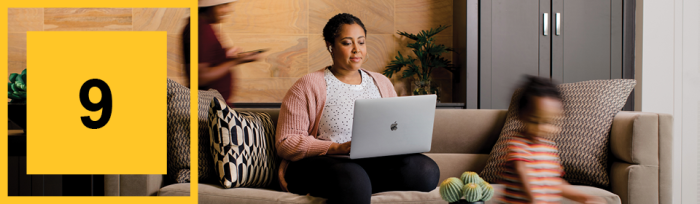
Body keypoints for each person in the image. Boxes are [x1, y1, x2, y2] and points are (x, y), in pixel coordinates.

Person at [275, 13, 440, 204]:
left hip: (370, 163)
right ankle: (357, 184)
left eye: (361, 42)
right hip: (322, 163)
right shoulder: (307, 85)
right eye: (347, 43)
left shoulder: (381, 82)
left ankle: (361, 184)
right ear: (330, 45)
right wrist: (336, 147)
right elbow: (286, 143)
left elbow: (395, 127)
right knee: (352, 177)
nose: (356, 50)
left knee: (426, 170)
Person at [500, 76, 604, 204]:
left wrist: (583, 197)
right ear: (522, 116)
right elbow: (522, 171)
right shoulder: (518, 144)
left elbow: (554, 182)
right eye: (534, 121)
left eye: (550, 122)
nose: (541, 128)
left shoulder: (549, 147)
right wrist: (533, 199)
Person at [182, 0, 260, 101]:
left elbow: (205, 59)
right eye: (222, 6)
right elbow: (200, 77)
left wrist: (224, 56)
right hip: (208, 109)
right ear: (208, 8)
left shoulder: (202, 26)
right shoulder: (201, 30)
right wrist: (235, 61)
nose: (228, 10)